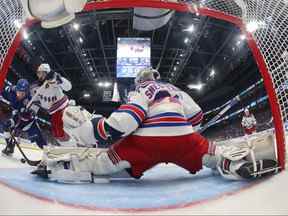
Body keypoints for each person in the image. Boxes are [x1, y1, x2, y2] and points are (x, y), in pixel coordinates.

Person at [33, 68, 279, 182]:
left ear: (140, 81)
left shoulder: (141, 90)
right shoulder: (174, 89)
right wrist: (180, 129)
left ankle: (61, 165)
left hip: (146, 143)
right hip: (184, 138)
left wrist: (99, 128)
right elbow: (196, 117)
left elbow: (131, 118)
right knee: (211, 155)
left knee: (104, 163)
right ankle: (233, 163)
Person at [0, 79, 47, 155]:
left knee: (39, 139)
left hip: (29, 123)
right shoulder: (11, 91)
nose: (20, 95)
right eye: (19, 92)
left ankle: (50, 154)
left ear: (27, 92)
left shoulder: (31, 99)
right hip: (17, 117)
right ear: (16, 89)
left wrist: (30, 113)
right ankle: (10, 146)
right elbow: (3, 92)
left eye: (23, 93)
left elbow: (33, 113)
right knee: (6, 126)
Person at [31, 63, 73, 146]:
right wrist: (32, 110)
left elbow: (68, 87)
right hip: (53, 112)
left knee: (60, 130)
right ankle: (66, 147)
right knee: (55, 132)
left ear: (47, 73)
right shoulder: (36, 87)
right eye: (38, 73)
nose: (39, 75)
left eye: (41, 73)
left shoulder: (53, 80)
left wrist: (60, 79)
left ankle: (70, 146)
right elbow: (35, 101)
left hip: (63, 108)